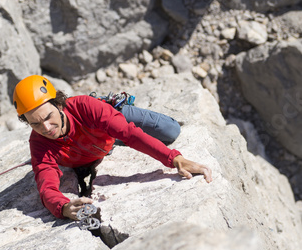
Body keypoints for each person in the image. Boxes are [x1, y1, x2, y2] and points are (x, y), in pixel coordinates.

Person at [13, 75, 212, 221]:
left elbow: (130, 134)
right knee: (121, 139)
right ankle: (113, 139)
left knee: (170, 131)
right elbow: (46, 186)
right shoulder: (39, 144)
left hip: (108, 122)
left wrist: (175, 159)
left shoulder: (84, 107)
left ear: (59, 105)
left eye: (48, 117)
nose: (46, 128)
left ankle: (116, 113)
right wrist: (63, 206)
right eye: (35, 124)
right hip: (98, 145)